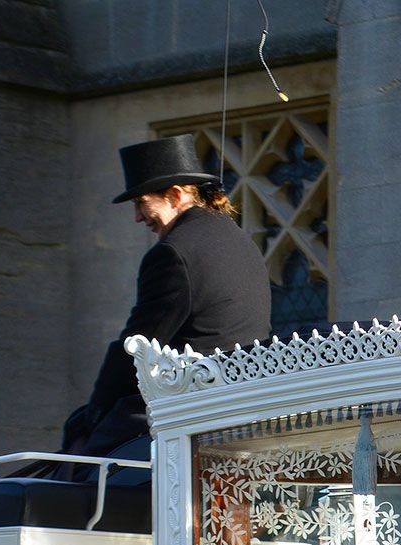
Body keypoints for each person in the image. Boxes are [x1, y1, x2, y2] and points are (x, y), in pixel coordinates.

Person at [58, 135, 271, 465]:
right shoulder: (240, 240)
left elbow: (137, 346)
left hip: (192, 405)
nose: (138, 218)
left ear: (175, 195)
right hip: (244, 398)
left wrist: (91, 417)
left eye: (141, 203)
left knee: (76, 458)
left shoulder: (172, 253)